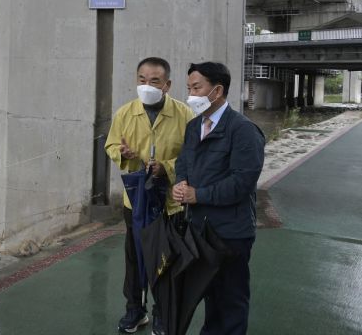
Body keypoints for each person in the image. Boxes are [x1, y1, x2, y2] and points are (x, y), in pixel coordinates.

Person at [173, 62, 265, 335]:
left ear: (217, 90)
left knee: (230, 300)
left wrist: (197, 194)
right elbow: (183, 161)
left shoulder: (244, 130)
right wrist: (181, 184)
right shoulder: (194, 127)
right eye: (189, 87)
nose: (191, 94)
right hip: (200, 229)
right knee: (210, 295)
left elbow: (242, 182)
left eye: (196, 87)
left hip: (231, 233)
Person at [105, 57, 193, 335]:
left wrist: (165, 167)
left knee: (167, 260)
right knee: (135, 258)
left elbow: (193, 157)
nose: (147, 85)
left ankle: (162, 314)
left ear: (167, 85)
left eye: (154, 81)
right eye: (142, 79)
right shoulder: (124, 113)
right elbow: (110, 145)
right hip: (137, 202)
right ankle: (135, 310)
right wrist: (123, 154)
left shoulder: (184, 115)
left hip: (171, 203)